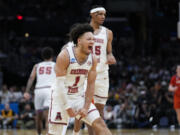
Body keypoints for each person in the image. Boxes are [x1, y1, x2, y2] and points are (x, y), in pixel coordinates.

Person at [48, 23, 112, 135]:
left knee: (100, 124)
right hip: (61, 98)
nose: (92, 42)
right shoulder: (65, 56)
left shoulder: (93, 59)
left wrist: (86, 107)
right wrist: (67, 107)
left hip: (78, 97)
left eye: (93, 39)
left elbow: (91, 85)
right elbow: (59, 86)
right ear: (79, 41)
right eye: (89, 39)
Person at [73, 5, 116, 135]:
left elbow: (109, 51)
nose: (103, 17)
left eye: (104, 14)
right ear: (92, 15)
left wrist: (110, 56)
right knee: (86, 107)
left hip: (102, 74)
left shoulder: (108, 32)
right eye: (99, 14)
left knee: (99, 109)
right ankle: (77, 132)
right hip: (86, 73)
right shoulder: (83, 31)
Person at [24, 47, 56, 135]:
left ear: (42, 56)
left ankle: (39, 134)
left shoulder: (37, 66)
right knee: (47, 117)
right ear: (52, 56)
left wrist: (26, 91)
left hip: (38, 91)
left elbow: (31, 78)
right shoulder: (55, 65)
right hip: (49, 90)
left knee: (38, 117)